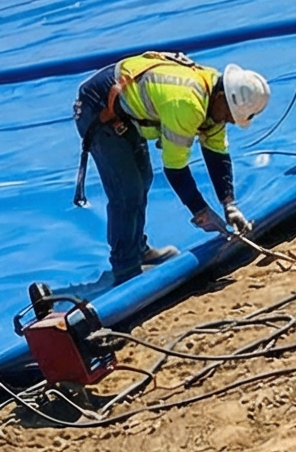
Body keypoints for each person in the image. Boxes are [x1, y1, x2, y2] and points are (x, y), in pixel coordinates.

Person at [74, 52, 271, 282]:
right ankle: (125, 270)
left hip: (125, 109)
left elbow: (216, 152)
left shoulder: (215, 98)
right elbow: (175, 169)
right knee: (127, 191)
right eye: (228, 115)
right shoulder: (186, 104)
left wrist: (229, 204)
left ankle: (137, 250)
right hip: (98, 107)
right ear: (221, 97)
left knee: (143, 178)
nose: (227, 121)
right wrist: (200, 211)